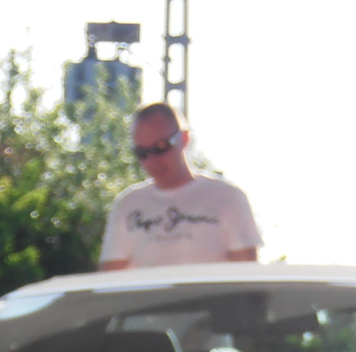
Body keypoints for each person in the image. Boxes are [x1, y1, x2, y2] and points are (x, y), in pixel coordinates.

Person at [99, 102, 262, 271]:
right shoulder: (127, 204)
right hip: (151, 298)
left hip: (212, 297)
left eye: (161, 148)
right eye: (142, 152)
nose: (152, 160)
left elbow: (247, 276)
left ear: (184, 138)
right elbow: (110, 279)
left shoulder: (228, 197)